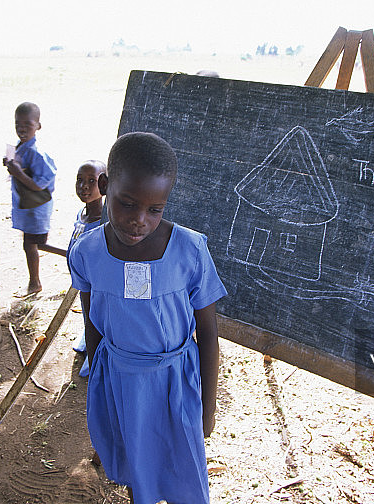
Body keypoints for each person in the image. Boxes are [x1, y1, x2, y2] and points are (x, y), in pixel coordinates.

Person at [69, 132, 227, 504]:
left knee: (183, 470)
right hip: (119, 380)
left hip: (176, 383)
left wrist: (208, 405)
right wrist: (98, 383)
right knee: (133, 462)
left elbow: (208, 332)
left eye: (155, 209)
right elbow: (92, 322)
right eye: (127, 204)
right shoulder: (87, 251)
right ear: (105, 186)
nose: (140, 220)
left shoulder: (189, 250)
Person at [3, 102, 56, 297]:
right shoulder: (22, 147)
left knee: (34, 243)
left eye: (28, 123)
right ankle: (35, 281)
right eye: (18, 123)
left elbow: (40, 184)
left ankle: (37, 280)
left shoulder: (37, 153)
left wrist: (18, 173)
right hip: (28, 205)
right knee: (31, 243)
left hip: (37, 206)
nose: (22, 128)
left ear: (38, 126)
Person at [67, 160, 107, 378]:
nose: (84, 186)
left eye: (92, 181)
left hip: (94, 284)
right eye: (80, 180)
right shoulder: (82, 215)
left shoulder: (102, 222)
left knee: (95, 315)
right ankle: (88, 340)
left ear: (104, 184)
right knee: (86, 313)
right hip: (81, 280)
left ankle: (96, 359)